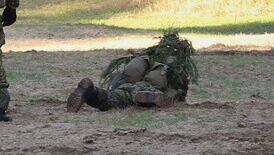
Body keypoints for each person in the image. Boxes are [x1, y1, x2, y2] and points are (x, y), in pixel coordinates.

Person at [67, 32, 197, 111]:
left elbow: (123, 76)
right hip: (148, 88)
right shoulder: (175, 69)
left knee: (109, 100)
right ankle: (148, 97)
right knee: (141, 98)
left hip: (125, 87)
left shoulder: (144, 57)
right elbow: (178, 93)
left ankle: (92, 91)